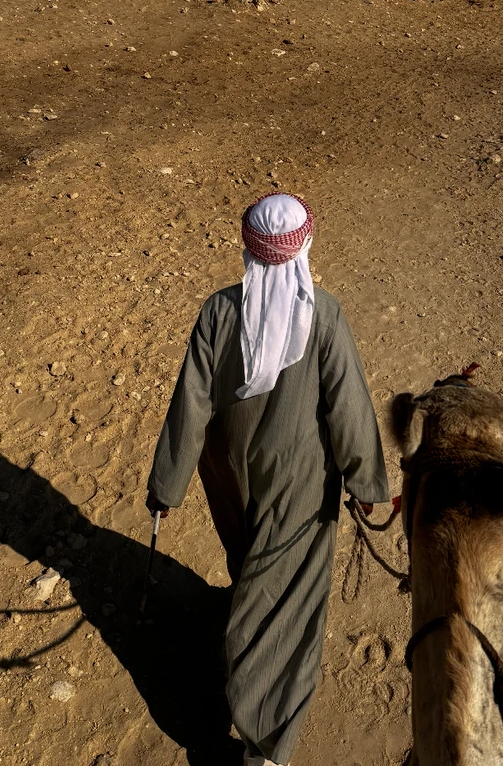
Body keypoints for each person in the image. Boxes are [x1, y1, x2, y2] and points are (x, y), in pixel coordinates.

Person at [147, 192, 389, 766]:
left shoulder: (217, 312)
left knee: (251, 567)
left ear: (248, 250)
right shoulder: (324, 314)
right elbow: (348, 408)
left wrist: (167, 484)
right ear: (304, 246)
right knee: (286, 605)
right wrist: (367, 483)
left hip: (232, 477)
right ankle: (266, 739)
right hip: (300, 487)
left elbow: (191, 404)